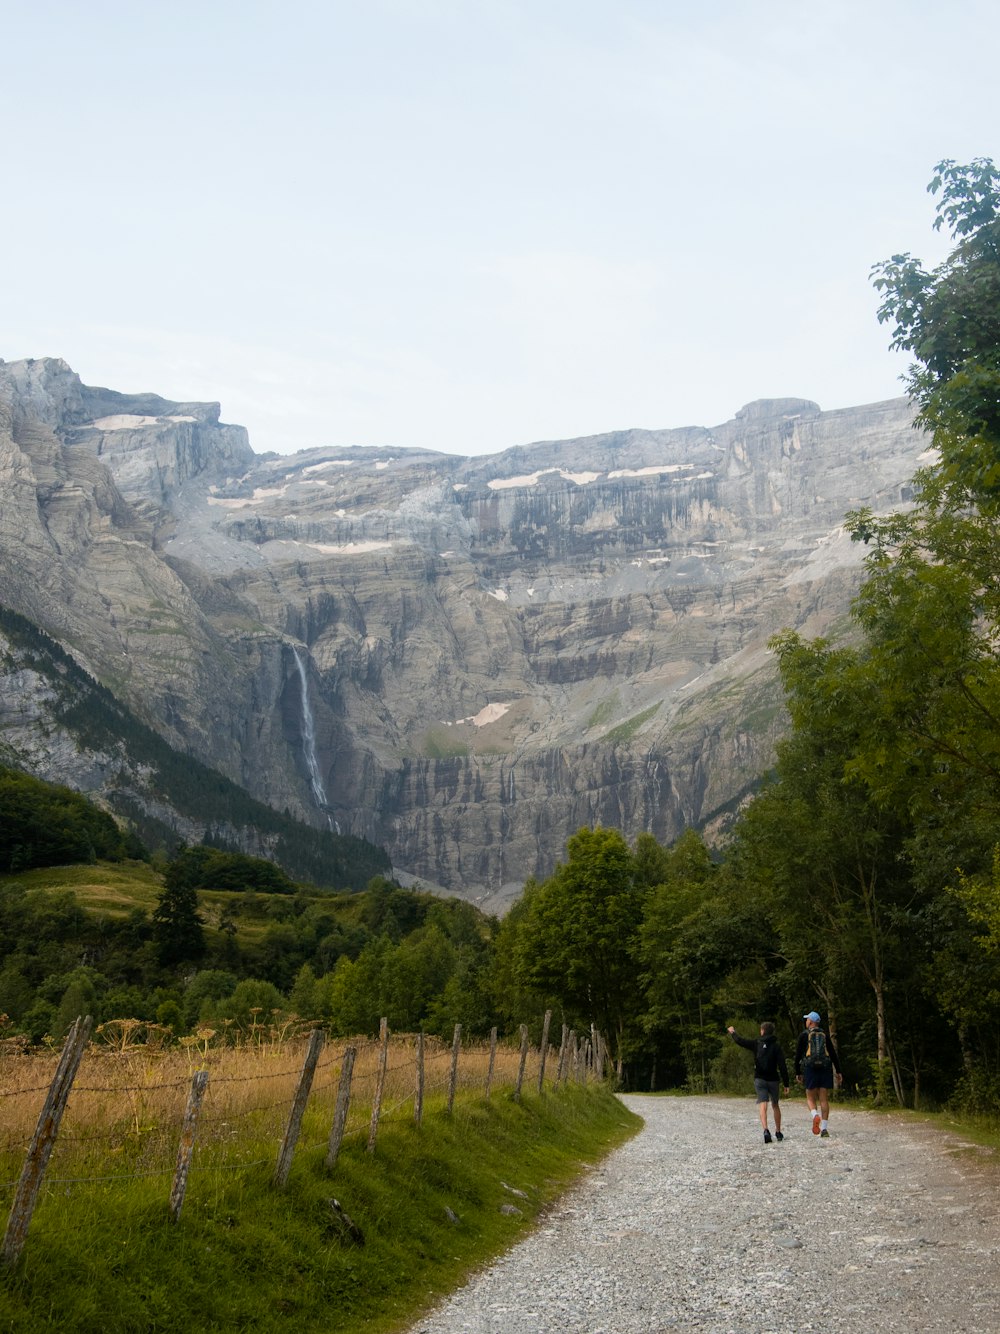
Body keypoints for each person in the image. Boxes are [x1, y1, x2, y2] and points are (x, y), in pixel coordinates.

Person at [726, 1021, 790, 1143]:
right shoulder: (776, 1046)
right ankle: (778, 1131)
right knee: (775, 1105)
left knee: (763, 1104)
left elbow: (740, 1041)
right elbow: (782, 1065)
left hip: (760, 1078)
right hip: (773, 1079)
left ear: (762, 1031)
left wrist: (733, 1032)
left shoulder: (756, 1043)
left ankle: (766, 1130)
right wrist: (786, 1083)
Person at [794, 1010, 843, 1137]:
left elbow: (798, 1055)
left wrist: (798, 1072)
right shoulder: (824, 1035)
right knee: (824, 1099)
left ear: (811, 1021)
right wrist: (838, 1071)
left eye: (807, 1019)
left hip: (810, 1069)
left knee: (810, 1097)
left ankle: (815, 1115)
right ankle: (825, 1129)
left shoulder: (804, 1035)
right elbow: (832, 1054)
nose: (806, 1021)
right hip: (825, 1069)